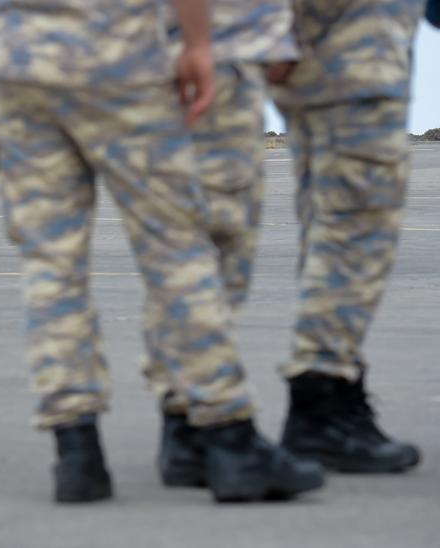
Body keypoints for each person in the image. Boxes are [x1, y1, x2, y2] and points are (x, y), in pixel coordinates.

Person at [0, 0, 324, 503]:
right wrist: (197, 44)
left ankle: (76, 452)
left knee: (50, 263)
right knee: (177, 247)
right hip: (121, 57)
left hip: (22, 65)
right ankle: (229, 435)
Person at [142, 1, 299, 488]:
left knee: (196, 247)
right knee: (217, 244)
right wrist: (201, 43)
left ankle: (185, 421)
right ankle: (216, 428)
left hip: (193, 49)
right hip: (214, 52)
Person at [267, 0, 425, 474]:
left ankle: (336, 389)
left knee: (328, 224)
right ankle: (322, 403)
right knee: (355, 230)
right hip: (353, 55)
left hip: (327, 51)